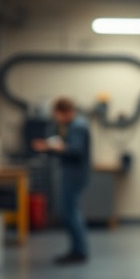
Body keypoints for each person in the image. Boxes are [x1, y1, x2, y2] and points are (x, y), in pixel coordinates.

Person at [32, 97, 91, 265]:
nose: (57, 119)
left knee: (70, 212)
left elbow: (75, 150)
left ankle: (79, 251)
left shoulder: (78, 126)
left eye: (58, 115)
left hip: (75, 173)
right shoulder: (74, 125)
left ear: (64, 112)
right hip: (73, 172)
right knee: (70, 211)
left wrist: (52, 147)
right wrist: (50, 147)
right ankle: (77, 249)